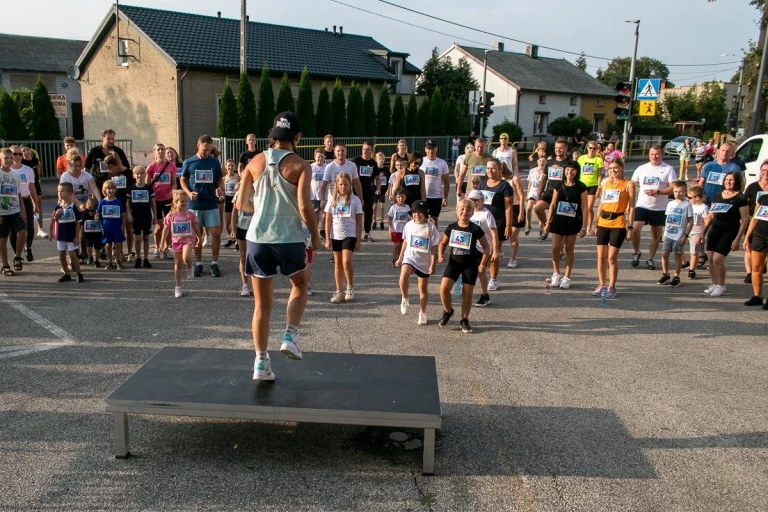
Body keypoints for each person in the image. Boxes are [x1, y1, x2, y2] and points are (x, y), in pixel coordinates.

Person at [237, 111, 320, 381]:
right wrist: (316, 236)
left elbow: (241, 203)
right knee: (300, 284)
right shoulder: (301, 165)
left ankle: (261, 363)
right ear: (296, 137)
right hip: (289, 238)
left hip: (257, 239)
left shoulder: (255, 162)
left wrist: (260, 208)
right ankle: (290, 334)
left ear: (273, 136)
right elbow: (306, 206)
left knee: (262, 304)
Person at [437, 199, 490, 333]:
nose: (464, 212)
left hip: (470, 265)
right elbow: (442, 243)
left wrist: (483, 263)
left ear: (472, 212)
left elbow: (486, 248)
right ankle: (448, 311)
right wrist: (440, 255)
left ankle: (464, 319)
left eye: (468, 210)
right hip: (454, 263)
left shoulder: (475, 229)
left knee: (467, 294)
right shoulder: (451, 227)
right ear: (457, 211)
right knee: (443, 289)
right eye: (462, 209)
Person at [180, 134, 225, 278]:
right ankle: (198, 263)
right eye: (204, 149)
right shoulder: (189, 162)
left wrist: (219, 188)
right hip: (195, 205)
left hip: (211, 203)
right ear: (198, 146)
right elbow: (183, 180)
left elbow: (219, 180)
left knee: (216, 234)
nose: (207, 153)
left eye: (209, 150)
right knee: (197, 236)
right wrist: (188, 193)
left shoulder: (214, 162)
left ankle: (214, 263)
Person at [699, 171, 749, 297]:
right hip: (714, 230)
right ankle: (715, 284)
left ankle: (721, 285)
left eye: (731, 180)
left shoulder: (741, 198)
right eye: (726, 179)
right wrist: (703, 233)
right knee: (710, 258)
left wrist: (738, 239)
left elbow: (744, 220)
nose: (728, 182)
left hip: (730, 232)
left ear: (737, 181)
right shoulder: (717, 195)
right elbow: (711, 215)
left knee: (718, 259)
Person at [630, 145, 677, 270]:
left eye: (657, 154)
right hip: (642, 204)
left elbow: (673, 187)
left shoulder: (668, 169)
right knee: (635, 229)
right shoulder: (642, 168)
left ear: (662, 155)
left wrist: (658, 192)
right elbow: (632, 183)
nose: (654, 157)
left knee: (656, 233)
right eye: (651, 154)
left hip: (659, 207)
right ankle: (636, 251)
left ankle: (650, 258)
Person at [594, 159, 635, 298]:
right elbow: (601, 204)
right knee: (601, 257)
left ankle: (612, 286)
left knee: (611, 258)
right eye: (611, 168)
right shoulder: (605, 183)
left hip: (618, 222)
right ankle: (602, 284)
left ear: (622, 168)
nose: (613, 171)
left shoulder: (628, 184)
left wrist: (630, 227)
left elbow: (632, 207)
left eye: (616, 168)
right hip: (603, 222)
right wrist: (596, 223)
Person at [544, 161, 588, 289]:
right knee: (555, 248)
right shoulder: (558, 185)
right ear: (564, 171)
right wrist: (547, 222)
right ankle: (556, 273)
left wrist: (585, 227)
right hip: (558, 220)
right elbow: (552, 205)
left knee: (569, 249)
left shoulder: (581, 186)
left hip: (573, 221)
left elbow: (585, 207)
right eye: (568, 169)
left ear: (577, 172)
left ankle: (567, 276)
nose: (570, 172)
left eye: (573, 170)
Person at [396, 200, 440, 325]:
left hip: (423, 262)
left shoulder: (431, 227)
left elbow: (433, 248)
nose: (417, 215)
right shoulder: (409, 225)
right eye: (414, 212)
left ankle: (423, 312)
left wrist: (433, 264)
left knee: (423, 289)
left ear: (425, 214)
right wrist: (400, 258)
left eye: (420, 213)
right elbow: (405, 242)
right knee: (403, 275)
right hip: (409, 257)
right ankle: (405, 298)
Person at [325, 172, 363, 303]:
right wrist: (328, 238)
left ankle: (350, 286)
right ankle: (339, 291)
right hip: (336, 235)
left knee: (346, 261)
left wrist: (358, 239)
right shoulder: (332, 200)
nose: (343, 187)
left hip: (350, 234)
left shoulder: (355, 200)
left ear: (350, 185)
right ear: (336, 185)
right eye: (340, 184)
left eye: (345, 184)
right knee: (338, 263)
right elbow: (328, 219)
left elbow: (359, 221)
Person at [477, 159, 513, 291]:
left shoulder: (505, 186)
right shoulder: (482, 185)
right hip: (481, 224)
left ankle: (493, 279)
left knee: (493, 251)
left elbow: (508, 207)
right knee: (480, 251)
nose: (490, 171)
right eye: (487, 168)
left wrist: (509, 225)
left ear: (499, 169)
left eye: (493, 168)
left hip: (497, 224)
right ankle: (480, 273)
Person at [163, 190, 201, 298]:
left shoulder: (190, 215)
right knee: (177, 264)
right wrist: (162, 243)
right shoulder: (171, 215)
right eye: (181, 201)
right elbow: (166, 229)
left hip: (188, 240)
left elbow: (196, 227)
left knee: (186, 257)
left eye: (185, 201)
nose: (184, 203)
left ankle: (189, 266)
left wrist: (199, 237)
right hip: (176, 241)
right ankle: (178, 287)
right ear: (175, 202)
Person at [656, 181, 694, 288]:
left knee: (678, 256)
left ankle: (676, 276)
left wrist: (685, 235)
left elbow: (691, 222)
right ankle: (665, 274)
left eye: (681, 191)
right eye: (676, 191)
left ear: (685, 192)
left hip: (679, 235)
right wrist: (663, 233)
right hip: (669, 234)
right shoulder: (670, 204)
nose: (678, 193)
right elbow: (667, 219)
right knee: (664, 254)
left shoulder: (687, 205)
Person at [533, 139, 570, 241]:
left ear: (566, 148)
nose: (558, 150)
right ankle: (547, 226)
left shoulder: (569, 163)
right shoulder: (549, 162)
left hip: (563, 194)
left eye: (561, 148)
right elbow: (543, 180)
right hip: (549, 193)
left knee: (561, 226)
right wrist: (538, 196)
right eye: (557, 148)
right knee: (537, 208)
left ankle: (560, 250)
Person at [467, 189, 498, 307]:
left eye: (476, 200)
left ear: (482, 201)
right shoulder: (468, 212)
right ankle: (467, 288)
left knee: (481, 270)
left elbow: (494, 233)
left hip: (484, 248)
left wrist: (495, 251)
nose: (474, 202)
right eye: (471, 200)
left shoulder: (486, 214)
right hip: (471, 246)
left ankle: (485, 295)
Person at [9, 145, 39, 262]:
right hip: (13, 202)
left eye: (19, 154)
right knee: (14, 229)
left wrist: (35, 203)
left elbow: (32, 187)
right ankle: (17, 254)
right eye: (14, 154)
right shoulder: (7, 170)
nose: (17, 156)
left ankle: (28, 247)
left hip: (26, 200)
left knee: (30, 227)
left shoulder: (28, 170)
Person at [146, 143, 175, 259]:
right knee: (159, 225)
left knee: (168, 225)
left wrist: (173, 193)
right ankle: (157, 247)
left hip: (168, 199)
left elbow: (174, 183)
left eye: (162, 149)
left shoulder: (171, 166)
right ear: (154, 152)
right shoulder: (151, 167)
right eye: (158, 149)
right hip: (156, 200)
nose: (161, 152)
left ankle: (166, 248)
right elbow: (148, 185)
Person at [50, 182, 84, 283]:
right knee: (61, 256)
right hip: (61, 235)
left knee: (72, 255)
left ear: (69, 193)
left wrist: (76, 236)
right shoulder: (58, 207)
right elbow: (56, 221)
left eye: (62, 191)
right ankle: (66, 273)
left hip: (71, 235)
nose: (60, 193)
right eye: (58, 191)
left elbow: (78, 223)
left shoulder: (73, 208)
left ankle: (79, 273)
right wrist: (57, 215)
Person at [0, 147, 26, 276]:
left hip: (15, 210)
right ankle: (5, 265)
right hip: (2, 212)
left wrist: (22, 209)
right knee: (2, 239)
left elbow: (19, 193)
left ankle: (17, 256)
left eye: (11, 158)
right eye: (6, 158)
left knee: (22, 231)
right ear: (1, 159)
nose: (9, 160)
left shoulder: (15, 175)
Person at [104, 153, 136, 258]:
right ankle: (120, 252)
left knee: (128, 228)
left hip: (126, 202)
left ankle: (130, 251)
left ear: (116, 164)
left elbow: (132, 188)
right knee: (119, 228)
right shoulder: (111, 174)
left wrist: (128, 206)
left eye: (110, 167)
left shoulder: (127, 172)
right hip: (115, 203)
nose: (109, 170)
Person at [742, 184, 768, 308]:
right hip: (759, 236)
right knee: (756, 268)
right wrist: (747, 237)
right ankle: (757, 296)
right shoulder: (763, 198)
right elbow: (754, 219)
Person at [126, 166, 156, 269]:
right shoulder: (131, 188)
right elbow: (128, 203)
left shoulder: (148, 188)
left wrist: (155, 216)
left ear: (145, 175)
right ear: (134, 175)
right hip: (136, 217)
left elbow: (153, 203)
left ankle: (146, 258)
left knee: (146, 237)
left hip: (146, 216)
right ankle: (138, 257)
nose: (139, 176)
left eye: (142, 173)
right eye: (137, 174)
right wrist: (129, 214)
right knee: (138, 238)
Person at [742, 161, 768, 283]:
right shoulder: (752, 187)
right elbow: (744, 202)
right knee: (749, 247)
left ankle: (761, 267)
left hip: (765, 224)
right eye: (763, 170)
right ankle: (749, 272)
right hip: (753, 219)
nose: (765, 173)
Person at [319, 143, 363, 210]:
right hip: (333, 198)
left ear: (346, 152)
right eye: (338, 151)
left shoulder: (352, 166)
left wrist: (360, 198)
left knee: (348, 219)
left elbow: (356, 183)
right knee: (328, 219)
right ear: (334, 152)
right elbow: (324, 184)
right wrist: (322, 200)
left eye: (343, 151)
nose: (340, 153)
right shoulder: (329, 167)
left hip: (348, 198)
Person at [96, 180, 126, 270]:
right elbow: (98, 213)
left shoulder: (118, 202)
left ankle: (118, 261)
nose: (110, 190)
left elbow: (123, 215)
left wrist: (123, 226)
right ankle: (110, 261)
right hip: (106, 227)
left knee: (117, 244)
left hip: (116, 227)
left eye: (112, 188)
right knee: (108, 245)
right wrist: (96, 217)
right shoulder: (102, 202)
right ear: (104, 190)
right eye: (108, 188)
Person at [230, 183, 253, 296]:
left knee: (254, 256)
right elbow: (234, 211)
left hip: (255, 229)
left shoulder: (260, 192)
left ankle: (256, 284)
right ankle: (245, 285)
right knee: (243, 256)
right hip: (242, 227)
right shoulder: (239, 193)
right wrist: (233, 228)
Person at [421, 139, 451, 228]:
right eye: (429, 148)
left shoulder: (442, 163)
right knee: (422, 220)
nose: (431, 151)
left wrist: (445, 197)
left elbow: (446, 181)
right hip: (423, 196)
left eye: (433, 148)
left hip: (436, 197)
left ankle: (434, 240)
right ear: (425, 149)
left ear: (436, 149)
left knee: (434, 220)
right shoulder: (421, 162)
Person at [501, 162, 526, 269]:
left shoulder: (514, 179)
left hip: (516, 208)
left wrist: (521, 212)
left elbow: (521, 196)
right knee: (501, 234)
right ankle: (498, 251)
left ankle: (513, 258)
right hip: (504, 208)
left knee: (513, 236)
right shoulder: (498, 180)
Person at [352, 142, 378, 241]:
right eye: (363, 149)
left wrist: (378, 188)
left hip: (368, 192)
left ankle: (367, 233)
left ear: (371, 151)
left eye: (367, 149)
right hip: (355, 192)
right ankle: (353, 234)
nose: (365, 151)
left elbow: (377, 178)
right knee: (354, 212)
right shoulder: (355, 161)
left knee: (368, 212)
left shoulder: (373, 163)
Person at [577, 142, 604, 236]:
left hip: (593, 185)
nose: (592, 150)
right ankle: (581, 225)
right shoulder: (581, 158)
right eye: (590, 148)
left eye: (594, 148)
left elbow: (600, 174)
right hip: (582, 185)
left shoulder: (598, 160)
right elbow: (577, 171)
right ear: (587, 148)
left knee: (589, 208)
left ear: (597, 150)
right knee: (580, 207)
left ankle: (589, 226)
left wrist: (599, 187)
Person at [21, 145, 45, 238]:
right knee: (27, 208)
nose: (26, 152)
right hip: (25, 186)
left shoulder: (35, 161)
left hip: (35, 185)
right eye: (23, 151)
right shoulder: (21, 163)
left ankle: (40, 229)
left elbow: (38, 174)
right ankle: (26, 229)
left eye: (27, 150)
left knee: (38, 207)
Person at [686, 185, 709, 279]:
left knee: (694, 252)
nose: (688, 199)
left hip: (697, 232)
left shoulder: (704, 208)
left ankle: (692, 270)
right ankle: (703, 255)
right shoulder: (689, 205)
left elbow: (707, 222)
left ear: (697, 198)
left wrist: (702, 234)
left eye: (690, 197)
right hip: (687, 230)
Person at [388, 188, 410, 267]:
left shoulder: (407, 208)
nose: (401, 199)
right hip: (396, 230)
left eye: (402, 197)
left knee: (402, 246)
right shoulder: (393, 207)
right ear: (396, 198)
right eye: (399, 197)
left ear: (405, 198)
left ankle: (400, 259)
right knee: (396, 245)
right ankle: (394, 258)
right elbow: (389, 218)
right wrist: (390, 227)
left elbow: (409, 218)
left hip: (404, 230)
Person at [525, 155, 546, 236]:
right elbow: (530, 182)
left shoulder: (545, 172)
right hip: (533, 193)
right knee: (528, 208)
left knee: (539, 211)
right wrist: (528, 194)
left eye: (543, 161)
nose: (541, 163)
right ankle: (528, 225)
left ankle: (541, 230)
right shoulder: (533, 171)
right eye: (540, 161)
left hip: (541, 194)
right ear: (537, 162)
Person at [81, 198, 103, 268]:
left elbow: (103, 223)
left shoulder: (99, 215)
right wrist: (81, 234)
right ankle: (90, 256)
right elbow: (81, 225)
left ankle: (97, 261)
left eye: (93, 210)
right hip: (88, 234)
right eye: (88, 210)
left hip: (97, 234)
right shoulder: (84, 215)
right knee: (89, 247)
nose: (91, 212)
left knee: (97, 249)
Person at [310, 148, 326, 238]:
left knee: (324, 215)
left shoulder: (327, 167)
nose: (320, 159)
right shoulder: (311, 167)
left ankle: (323, 231)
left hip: (324, 195)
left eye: (322, 157)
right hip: (313, 196)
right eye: (318, 157)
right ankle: (314, 233)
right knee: (315, 215)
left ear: (324, 157)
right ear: (315, 157)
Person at [222, 159, 238, 248]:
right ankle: (233, 239)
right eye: (228, 165)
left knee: (234, 222)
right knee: (227, 224)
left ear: (234, 167)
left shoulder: (238, 177)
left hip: (235, 200)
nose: (230, 167)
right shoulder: (224, 178)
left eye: (232, 165)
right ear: (226, 167)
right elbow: (223, 190)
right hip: (228, 200)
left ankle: (237, 241)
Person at [373, 151, 389, 231]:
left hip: (383, 191)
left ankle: (382, 221)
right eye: (380, 159)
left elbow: (389, 181)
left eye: (383, 159)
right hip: (375, 191)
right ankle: (374, 221)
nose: (381, 160)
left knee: (382, 206)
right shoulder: (374, 169)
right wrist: (375, 190)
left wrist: (387, 191)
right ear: (376, 160)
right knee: (374, 207)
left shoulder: (386, 169)